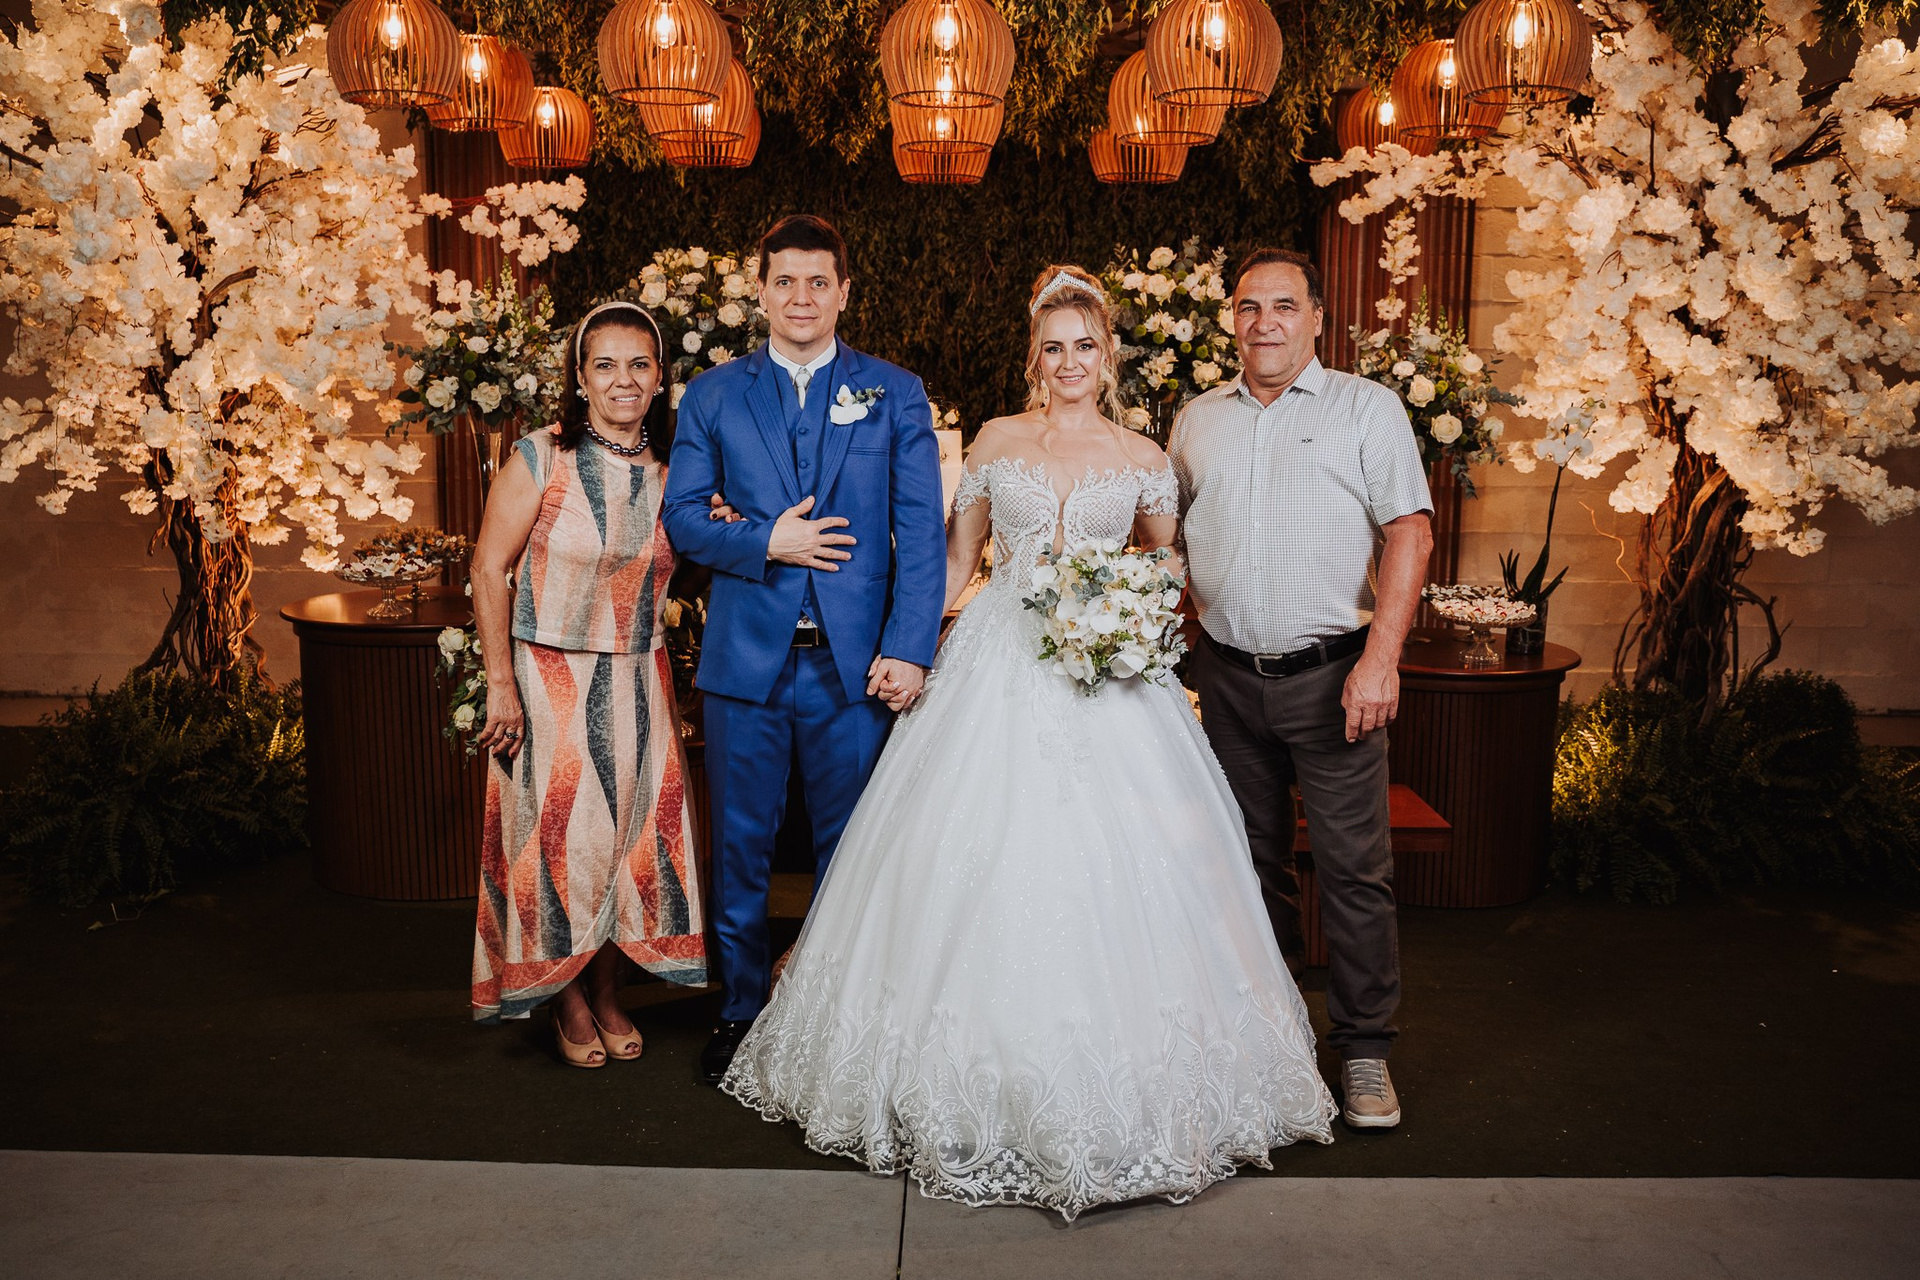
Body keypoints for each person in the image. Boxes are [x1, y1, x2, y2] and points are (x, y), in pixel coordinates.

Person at [720, 265, 1335, 1222]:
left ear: (1108, 355)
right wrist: (906, 648)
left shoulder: (1143, 454)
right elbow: (955, 558)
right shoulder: (998, 441)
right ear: (1034, 359)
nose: (1069, 362)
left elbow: (1165, 559)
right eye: (1054, 348)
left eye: (1085, 346)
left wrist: (1128, 611)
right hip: (999, 656)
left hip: (1108, 680)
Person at [660, 215, 947, 1085]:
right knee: (740, 848)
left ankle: (833, 1019)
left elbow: (920, 534)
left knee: (852, 851)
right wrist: (765, 541)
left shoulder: (894, 392)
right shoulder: (714, 396)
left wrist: (910, 648)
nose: (801, 297)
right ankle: (741, 1009)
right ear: (760, 291)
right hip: (745, 662)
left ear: (844, 293)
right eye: (784, 281)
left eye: (819, 282)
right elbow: (682, 519)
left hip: (852, 668)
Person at [1168, 248, 1434, 1129]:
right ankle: (1272, 1038)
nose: (1265, 322)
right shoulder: (1197, 419)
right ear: (1232, 320)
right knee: (1248, 866)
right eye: (1250, 307)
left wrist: (1381, 660)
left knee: (1355, 873)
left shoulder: (1367, 408)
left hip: (1334, 678)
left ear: (1317, 318)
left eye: (1284, 305)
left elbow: (1410, 533)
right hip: (1225, 678)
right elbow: (1169, 541)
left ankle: (1364, 1051)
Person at [468, 301, 707, 1067]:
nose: (622, 380)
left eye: (638, 364)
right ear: (579, 378)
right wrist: (499, 684)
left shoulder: (676, 472)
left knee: (629, 845)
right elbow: (488, 569)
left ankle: (606, 994)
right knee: (561, 843)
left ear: (660, 377)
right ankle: (565, 999)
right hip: (550, 681)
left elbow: (693, 563)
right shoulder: (542, 457)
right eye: (605, 365)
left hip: (640, 679)